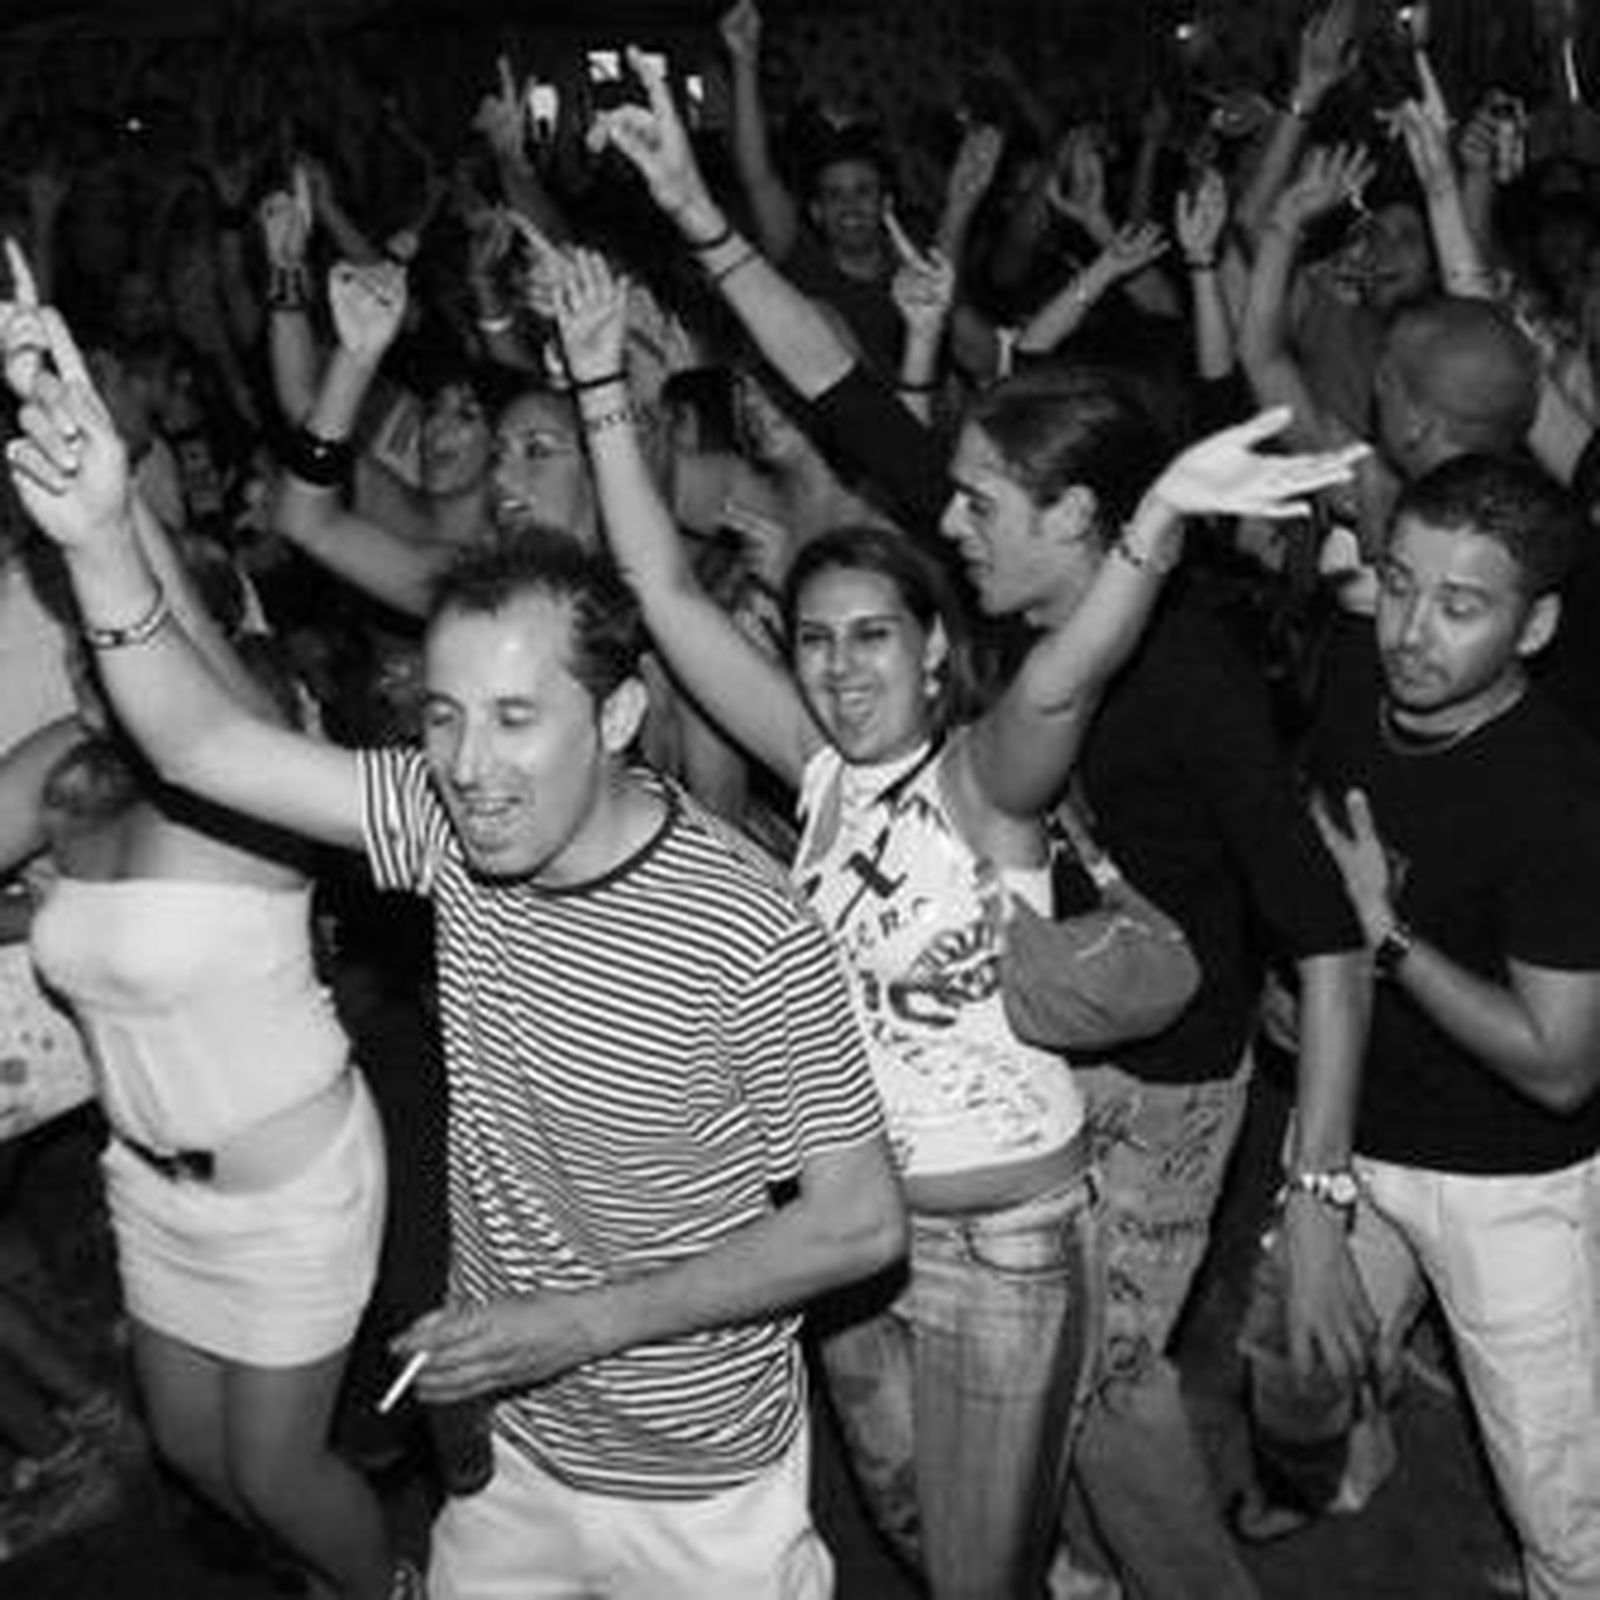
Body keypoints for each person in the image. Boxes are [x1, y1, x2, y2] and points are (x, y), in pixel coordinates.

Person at [587, 52, 1374, 1600]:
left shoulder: (1189, 684)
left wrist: (1319, 1198)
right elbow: (839, 388)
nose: (944, 523)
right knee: (1062, 1396)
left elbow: (1329, 942)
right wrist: (695, 213)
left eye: (981, 509)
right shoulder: (999, 607)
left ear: (1083, 524)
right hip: (1031, 1038)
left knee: (1097, 1376)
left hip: (1164, 1077)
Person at [3, 295, 906, 1600]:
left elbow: (859, 1223)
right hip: (516, 1454)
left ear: (620, 717)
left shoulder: (747, 931)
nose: (471, 768)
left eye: (516, 719)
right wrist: (98, 538)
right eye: (443, 718)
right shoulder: (441, 821)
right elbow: (204, 746)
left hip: (696, 1481)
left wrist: (574, 1326)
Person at [0, 340, 397, 1600]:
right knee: (188, 1452)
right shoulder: (69, 775)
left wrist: (125, 525)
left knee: (279, 1474)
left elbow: (206, 693)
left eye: (106, 630)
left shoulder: (245, 766)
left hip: (293, 1192)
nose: (88, 659)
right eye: (69, 638)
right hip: (151, 1185)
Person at [1257, 452, 1600, 1598]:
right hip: (1353, 1129)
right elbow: (1319, 842)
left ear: (1535, 623)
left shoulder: (1559, 798)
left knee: (1559, 1498)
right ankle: (1345, 1471)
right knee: (1295, 1372)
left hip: (1505, 1187)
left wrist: (1382, 935)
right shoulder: (1361, 676)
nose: (1411, 630)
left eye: (1460, 606)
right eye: (1398, 584)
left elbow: (1559, 1067)